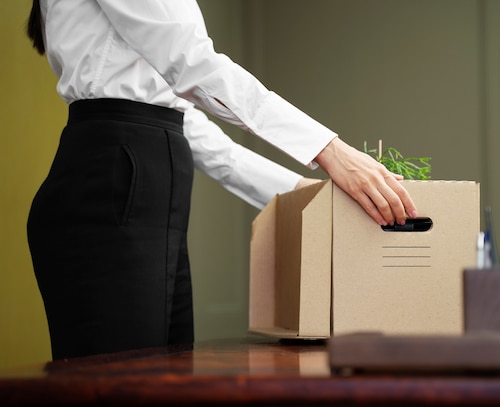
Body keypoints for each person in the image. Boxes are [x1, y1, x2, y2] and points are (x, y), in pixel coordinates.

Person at [26, 0, 417, 360]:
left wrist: (306, 194)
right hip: (108, 186)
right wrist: (330, 150)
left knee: (165, 383)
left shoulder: (148, 104)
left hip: (142, 183)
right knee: (122, 391)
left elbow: (197, 135)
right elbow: (194, 63)